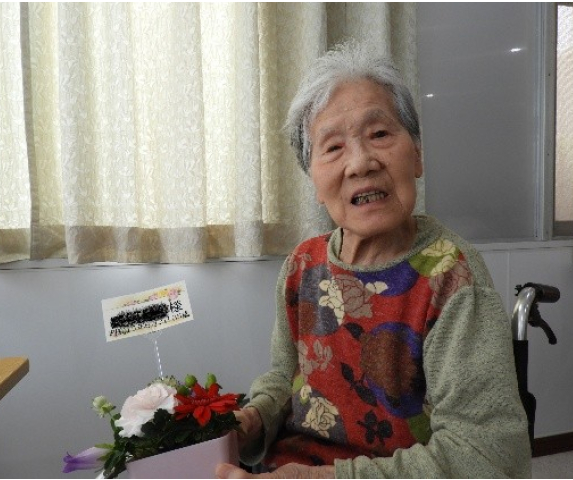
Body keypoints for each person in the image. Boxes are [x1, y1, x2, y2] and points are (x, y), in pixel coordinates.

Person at [216, 42, 531, 479]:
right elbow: (285, 379)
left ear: (417, 155)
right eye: (333, 147)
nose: (361, 163)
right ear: (314, 180)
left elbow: (486, 456)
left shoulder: (452, 277)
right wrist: (253, 420)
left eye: (380, 134)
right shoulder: (303, 266)